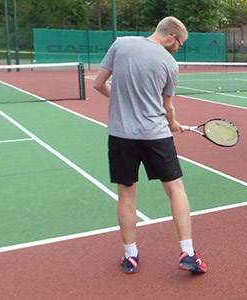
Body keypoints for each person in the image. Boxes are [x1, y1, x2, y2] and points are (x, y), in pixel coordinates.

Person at [92, 16, 207, 275]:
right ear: (170, 37)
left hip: (121, 135)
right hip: (156, 135)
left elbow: (98, 84)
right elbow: (167, 107)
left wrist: (121, 100)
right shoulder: (169, 63)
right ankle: (188, 252)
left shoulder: (121, 44)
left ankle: (130, 256)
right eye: (180, 44)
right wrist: (173, 121)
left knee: (126, 194)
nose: (178, 49)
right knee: (176, 190)